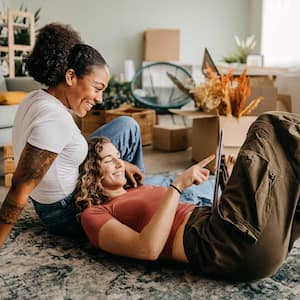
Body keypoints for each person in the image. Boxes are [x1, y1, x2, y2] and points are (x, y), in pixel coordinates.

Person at [76, 112, 300, 282]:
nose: (120, 163)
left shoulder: (137, 189)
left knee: (288, 171)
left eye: (119, 156)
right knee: (269, 124)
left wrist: (229, 188)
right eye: (108, 161)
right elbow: (148, 248)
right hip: (227, 246)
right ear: (91, 173)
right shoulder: (93, 214)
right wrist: (177, 186)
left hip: (245, 236)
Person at [0, 23, 144, 247]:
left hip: (59, 192)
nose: (100, 98)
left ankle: (127, 190)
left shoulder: (36, 97)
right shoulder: (53, 119)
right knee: (169, 190)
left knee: (127, 125)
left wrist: (119, 162)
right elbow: (20, 187)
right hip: (64, 212)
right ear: (70, 77)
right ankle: (133, 202)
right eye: (97, 88)